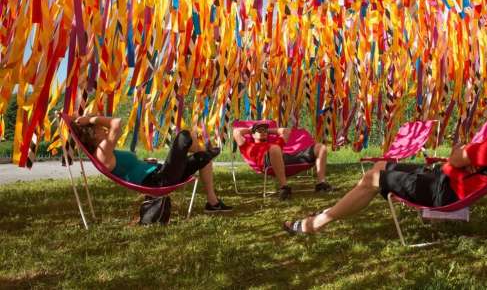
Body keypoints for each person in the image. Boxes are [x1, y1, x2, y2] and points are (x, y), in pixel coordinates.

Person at [283, 89, 487, 234]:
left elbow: (457, 157)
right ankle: (327, 213)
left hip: (443, 191)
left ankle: (317, 222)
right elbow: (460, 158)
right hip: (442, 179)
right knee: (379, 167)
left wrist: (461, 155)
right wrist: (462, 157)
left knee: (373, 178)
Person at [68, 114, 232, 214]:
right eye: (98, 129)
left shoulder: (105, 152)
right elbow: (116, 122)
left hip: (161, 174)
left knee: (203, 158)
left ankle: (213, 203)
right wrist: (90, 119)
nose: (103, 130)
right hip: (159, 180)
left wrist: (144, 163)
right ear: (92, 136)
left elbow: (129, 168)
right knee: (184, 136)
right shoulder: (102, 152)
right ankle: (204, 150)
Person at [232, 123, 333, 200]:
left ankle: (321, 184)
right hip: (267, 162)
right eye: (260, 130)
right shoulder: (247, 145)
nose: (263, 132)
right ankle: (284, 187)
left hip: (285, 158)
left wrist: (267, 130)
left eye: (264, 130)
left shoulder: (275, 143)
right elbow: (236, 132)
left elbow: (286, 131)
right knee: (275, 148)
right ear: (252, 135)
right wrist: (251, 130)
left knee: (321, 147)